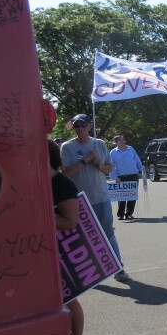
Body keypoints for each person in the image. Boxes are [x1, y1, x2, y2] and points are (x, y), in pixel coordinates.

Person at [61, 114, 130, 283]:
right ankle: (86, 275)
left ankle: (119, 269)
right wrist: (85, 160)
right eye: (77, 125)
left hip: (101, 198)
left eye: (83, 124)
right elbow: (65, 172)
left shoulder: (99, 144)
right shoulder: (67, 147)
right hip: (79, 201)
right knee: (81, 239)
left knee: (108, 234)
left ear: (89, 126)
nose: (80, 128)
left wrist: (98, 163)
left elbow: (108, 168)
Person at [49, 139, 86, 335]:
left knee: (69, 299)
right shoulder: (35, 181)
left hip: (60, 253)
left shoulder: (62, 184)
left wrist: (40, 217)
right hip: (37, 251)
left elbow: (70, 221)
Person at [109, 135, 143, 220]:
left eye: (123, 140)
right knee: (122, 196)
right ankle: (121, 214)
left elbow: (137, 160)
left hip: (133, 175)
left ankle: (129, 214)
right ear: (116, 142)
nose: (123, 142)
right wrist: (115, 177)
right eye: (120, 141)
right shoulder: (113, 152)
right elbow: (111, 166)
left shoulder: (131, 149)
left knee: (132, 195)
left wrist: (141, 169)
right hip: (121, 177)